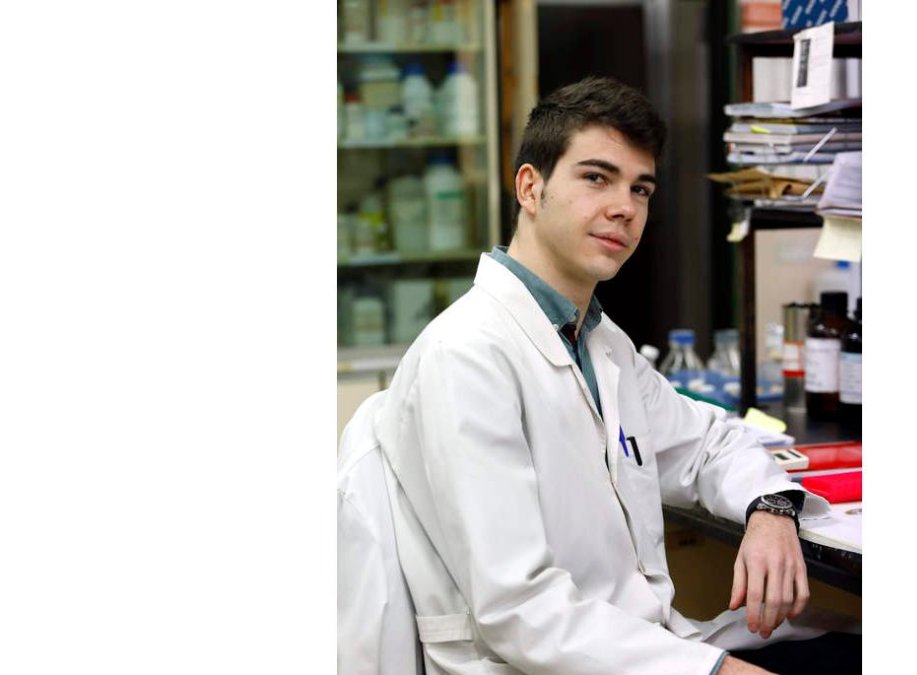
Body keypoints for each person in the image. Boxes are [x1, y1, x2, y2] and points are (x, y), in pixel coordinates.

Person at [337, 76, 860, 675]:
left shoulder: (599, 342)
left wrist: (770, 508)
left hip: (643, 648)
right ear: (530, 188)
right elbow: (519, 609)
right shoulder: (466, 356)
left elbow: (711, 442)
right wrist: (714, 672)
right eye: (596, 177)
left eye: (641, 188)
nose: (625, 207)